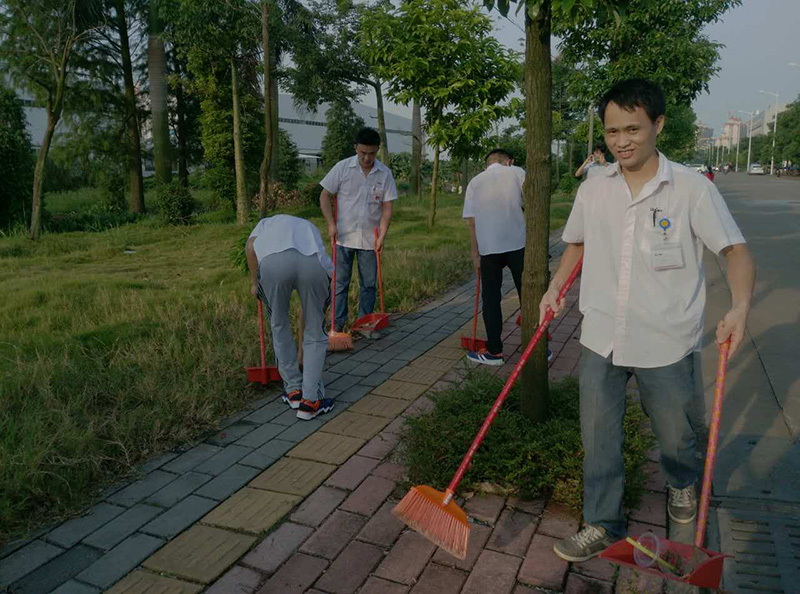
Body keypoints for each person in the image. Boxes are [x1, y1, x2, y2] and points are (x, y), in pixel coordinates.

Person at [540, 78, 756, 562]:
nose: (621, 142)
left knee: (679, 437)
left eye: (632, 129)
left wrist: (739, 308)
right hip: (601, 334)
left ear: (658, 125)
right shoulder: (595, 188)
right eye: (612, 131)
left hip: (667, 338)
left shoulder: (691, 190)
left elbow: (736, 251)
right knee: (598, 436)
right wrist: (555, 287)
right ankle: (602, 522)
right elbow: (576, 243)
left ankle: (682, 486)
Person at [246, 215, 336, 420]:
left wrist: (254, 283)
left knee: (278, 323)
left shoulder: (264, 224)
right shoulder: (307, 224)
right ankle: (311, 401)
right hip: (313, 264)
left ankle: (294, 390)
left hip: (273, 265)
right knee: (315, 328)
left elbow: (251, 248)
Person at [320, 127, 398, 338]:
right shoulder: (342, 168)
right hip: (343, 237)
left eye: (371, 153)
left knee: (369, 285)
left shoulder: (384, 173)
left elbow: (388, 206)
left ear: (378, 151)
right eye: (363, 152)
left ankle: (364, 325)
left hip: (369, 239)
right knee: (339, 283)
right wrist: (330, 224)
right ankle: (337, 325)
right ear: (356, 148)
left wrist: (382, 235)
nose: (366, 158)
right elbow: (325, 195)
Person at [463, 148, 526, 366]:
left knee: (491, 299)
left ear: (486, 165)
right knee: (528, 295)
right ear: (510, 161)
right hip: (519, 244)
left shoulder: (475, 182)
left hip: (488, 249)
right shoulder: (518, 172)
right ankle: (536, 348)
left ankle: (494, 351)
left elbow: (471, 222)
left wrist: (474, 255)